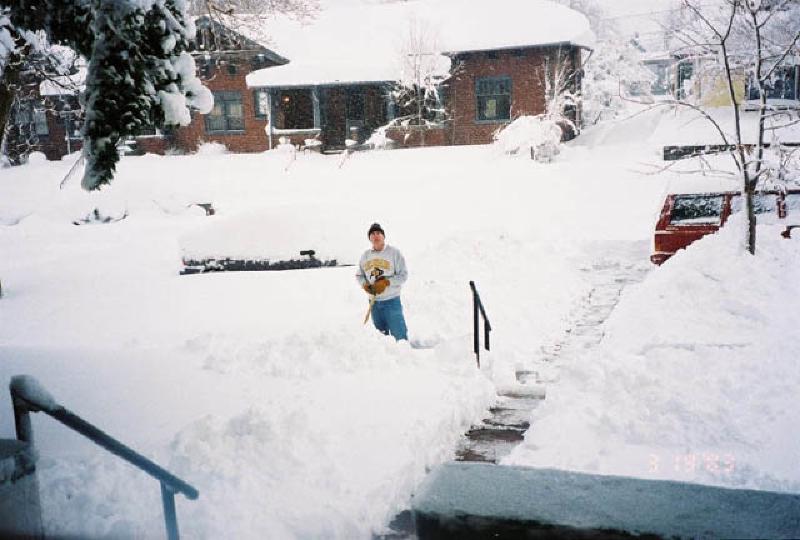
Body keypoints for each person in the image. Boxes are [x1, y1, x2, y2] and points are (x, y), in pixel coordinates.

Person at [356, 223, 408, 341]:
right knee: (381, 340)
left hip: (392, 302)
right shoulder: (365, 256)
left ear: (383, 236)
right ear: (369, 238)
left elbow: (403, 275)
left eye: (378, 233)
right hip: (374, 304)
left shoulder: (394, 253)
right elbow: (359, 275)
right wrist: (365, 284)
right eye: (372, 234)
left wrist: (386, 282)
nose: (375, 236)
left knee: (400, 337)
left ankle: (405, 357)